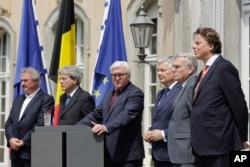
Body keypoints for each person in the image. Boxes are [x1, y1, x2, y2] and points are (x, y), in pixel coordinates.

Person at [191, 27, 250, 167]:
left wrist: (241, 137)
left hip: (220, 145)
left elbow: (239, 105)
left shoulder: (223, 68)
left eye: (198, 43)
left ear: (211, 46)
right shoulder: (205, 71)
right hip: (202, 146)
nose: (193, 46)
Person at [77, 61, 145, 167]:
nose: (117, 78)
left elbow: (126, 116)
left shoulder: (135, 93)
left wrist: (105, 127)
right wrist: (76, 127)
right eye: (114, 75)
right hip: (108, 153)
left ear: (128, 76)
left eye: (121, 75)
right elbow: (96, 113)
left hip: (128, 155)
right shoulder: (109, 93)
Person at [5, 67, 54, 167]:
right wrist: (10, 139)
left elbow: (42, 124)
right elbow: (9, 122)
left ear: (36, 81)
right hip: (16, 154)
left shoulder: (46, 99)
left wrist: (23, 141)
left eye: (26, 81)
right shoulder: (18, 99)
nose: (22, 84)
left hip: (33, 153)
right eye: (22, 81)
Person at [144, 56, 181, 167]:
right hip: (158, 153)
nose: (159, 73)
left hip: (173, 153)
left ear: (173, 71)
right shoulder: (161, 93)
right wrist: (150, 131)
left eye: (163, 70)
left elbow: (183, 122)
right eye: (158, 70)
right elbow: (159, 119)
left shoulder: (181, 91)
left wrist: (163, 134)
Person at [167, 53, 198, 167]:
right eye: (173, 67)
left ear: (190, 69)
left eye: (177, 67)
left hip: (188, 153)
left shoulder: (193, 85)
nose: (173, 70)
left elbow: (196, 118)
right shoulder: (183, 86)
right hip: (179, 153)